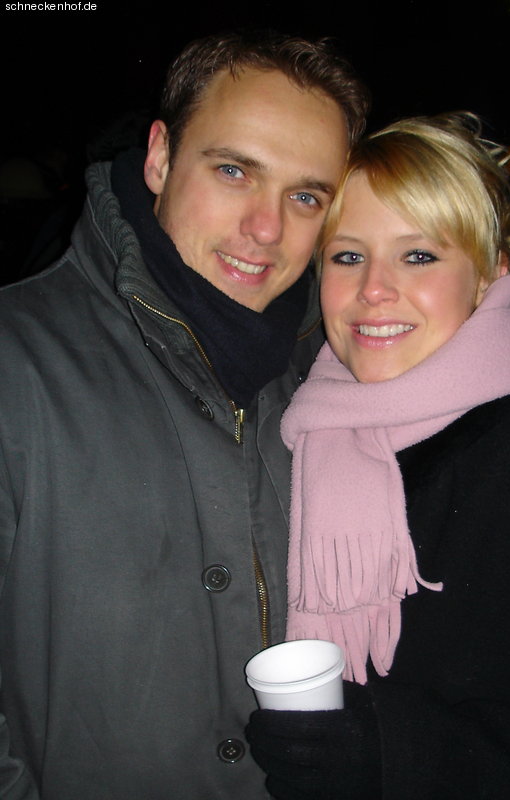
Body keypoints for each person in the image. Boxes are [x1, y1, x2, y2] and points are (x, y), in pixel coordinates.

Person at [0, 32, 369, 800]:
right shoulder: (18, 362)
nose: (266, 229)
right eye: (234, 171)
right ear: (160, 158)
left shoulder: (334, 384)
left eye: (306, 196)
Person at [246, 113, 510, 798]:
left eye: (418, 256)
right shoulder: (294, 434)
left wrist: (401, 753)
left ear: (491, 273)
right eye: (347, 256)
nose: (373, 289)